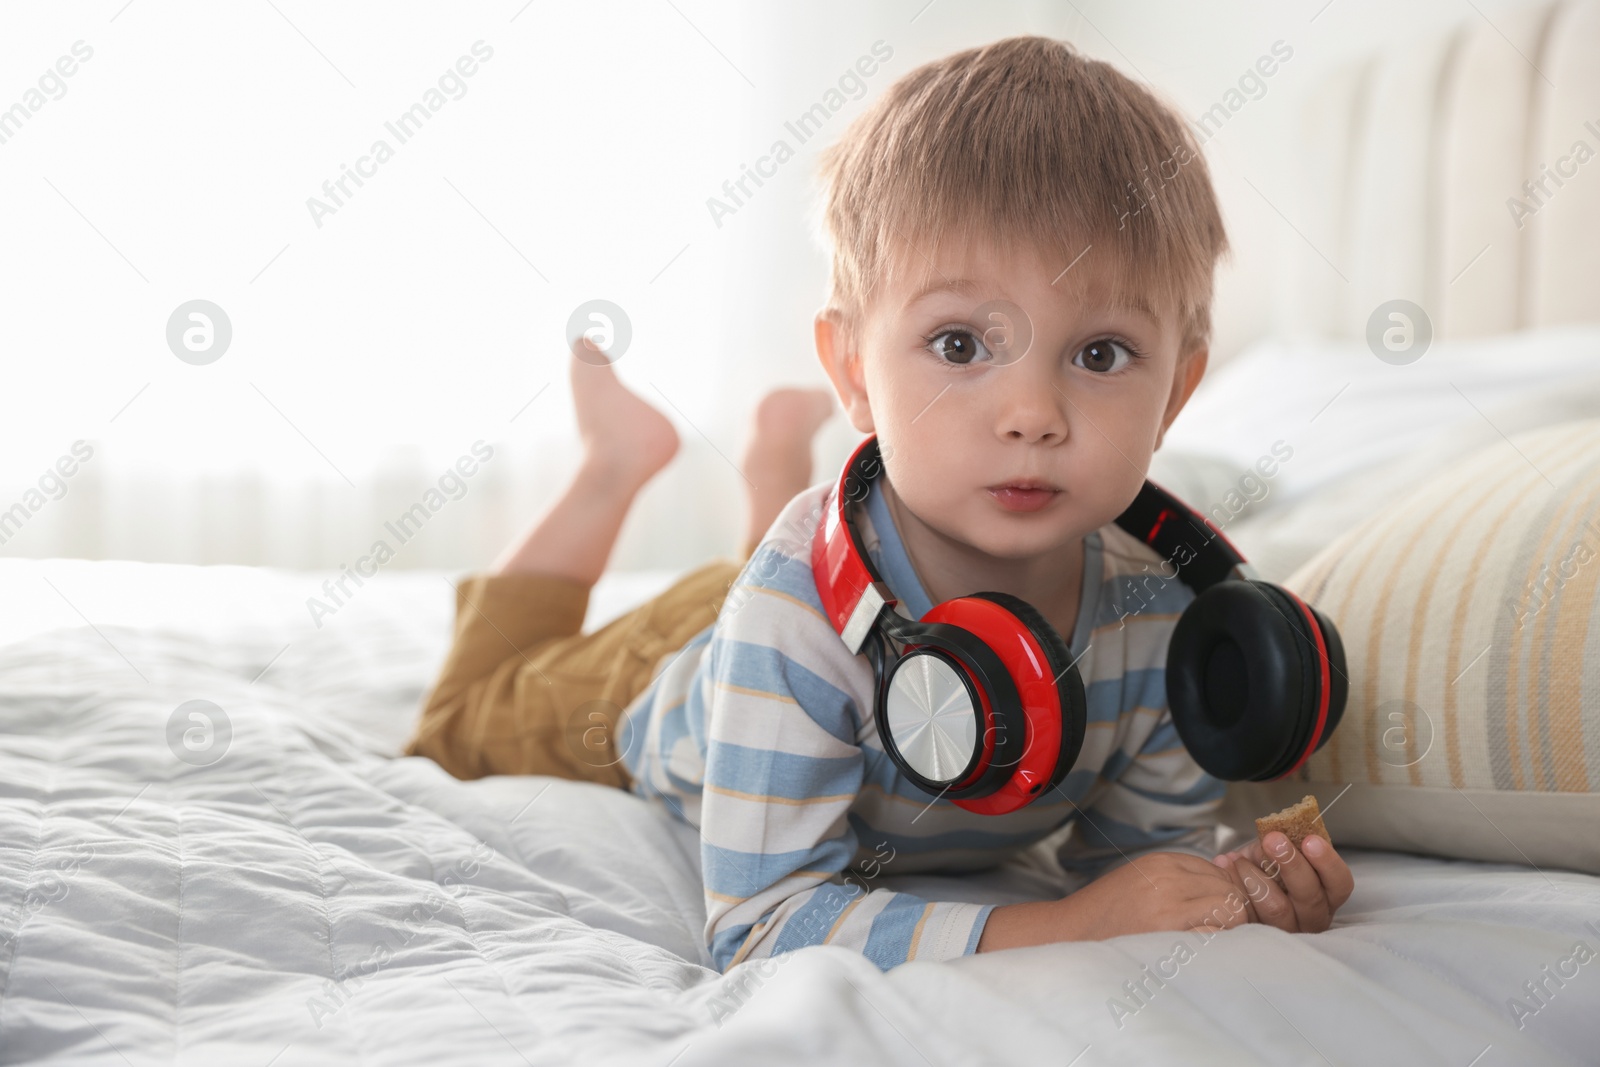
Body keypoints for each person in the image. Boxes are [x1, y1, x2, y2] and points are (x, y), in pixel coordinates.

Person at [405, 35, 1354, 973]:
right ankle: (614, 463)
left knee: (758, 579)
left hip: (819, 573)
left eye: (1100, 354)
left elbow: (1130, 872)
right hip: (694, 658)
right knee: (464, 714)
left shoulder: (1163, 622)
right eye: (958, 345)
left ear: (1178, 393)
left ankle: (771, 464)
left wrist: (1233, 887)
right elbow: (762, 922)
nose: (1032, 415)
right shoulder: (790, 620)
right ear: (854, 368)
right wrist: (1062, 929)